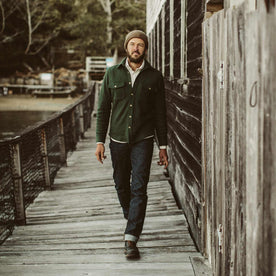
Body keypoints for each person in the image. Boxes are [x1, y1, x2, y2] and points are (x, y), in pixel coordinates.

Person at [95, 30, 168, 259]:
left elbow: (160, 114)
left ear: (145, 49)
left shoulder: (155, 77)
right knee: (120, 184)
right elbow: (103, 110)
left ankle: (131, 238)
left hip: (143, 140)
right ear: (126, 47)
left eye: (140, 45)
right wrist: (99, 141)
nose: (136, 48)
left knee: (139, 187)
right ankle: (133, 216)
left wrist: (163, 146)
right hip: (117, 139)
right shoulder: (111, 74)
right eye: (132, 44)